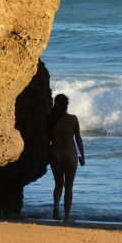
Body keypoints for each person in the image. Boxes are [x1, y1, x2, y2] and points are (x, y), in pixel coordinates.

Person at [45, 94, 85, 222]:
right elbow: (78, 138)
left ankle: (56, 207)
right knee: (69, 187)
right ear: (67, 104)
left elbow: (46, 138)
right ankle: (66, 217)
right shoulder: (73, 119)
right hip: (70, 154)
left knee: (58, 184)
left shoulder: (50, 119)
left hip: (55, 153)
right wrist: (82, 156)